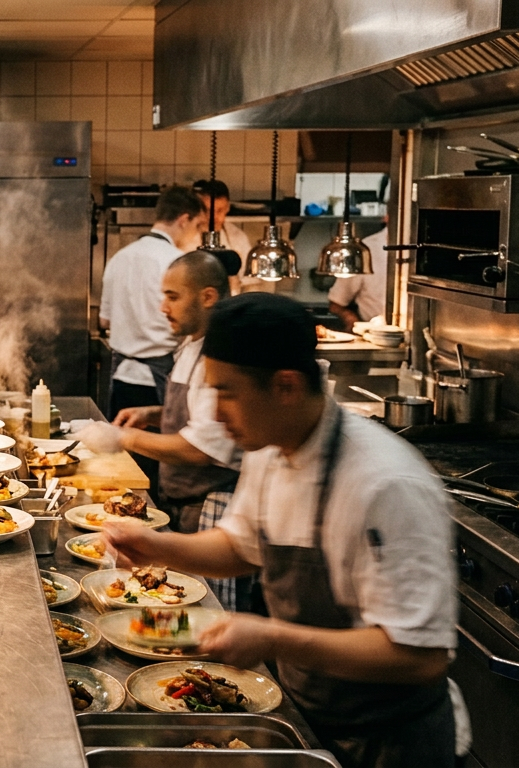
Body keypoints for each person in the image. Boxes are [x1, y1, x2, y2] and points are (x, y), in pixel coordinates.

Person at [103, 293, 457, 768]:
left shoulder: (385, 483)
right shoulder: (270, 448)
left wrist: (273, 638)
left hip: (389, 743)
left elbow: (421, 656)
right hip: (308, 719)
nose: (216, 414)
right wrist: (157, 547)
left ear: (285, 386)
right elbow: (240, 546)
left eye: (226, 393)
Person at [79, 252, 251, 608]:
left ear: (207, 296)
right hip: (183, 505)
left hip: (210, 509)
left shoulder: (218, 354)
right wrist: (155, 414)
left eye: (173, 297)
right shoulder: (191, 345)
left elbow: (200, 448)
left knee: (208, 610)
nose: (163, 307)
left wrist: (122, 438)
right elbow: (196, 416)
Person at [99, 185, 206, 412]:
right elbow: (191, 324)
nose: (196, 234)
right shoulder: (178, 263)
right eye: (197, 225)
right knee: (161, 434)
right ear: (184, 220)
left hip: (121, 379)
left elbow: (104, 321)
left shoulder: (119, 258)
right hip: (160, 379)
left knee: (121, 433)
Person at [192, 179, 250, 294]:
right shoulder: (185, 236)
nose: (213, 217)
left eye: (219, 210)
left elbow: (250, 283)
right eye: (208, 210)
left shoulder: (238, 238)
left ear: (228, 208)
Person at [329, 223, 389, 329]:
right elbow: (336, 303)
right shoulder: (367, 248)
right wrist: (349, 317)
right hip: (371, 332)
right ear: (386, 217)